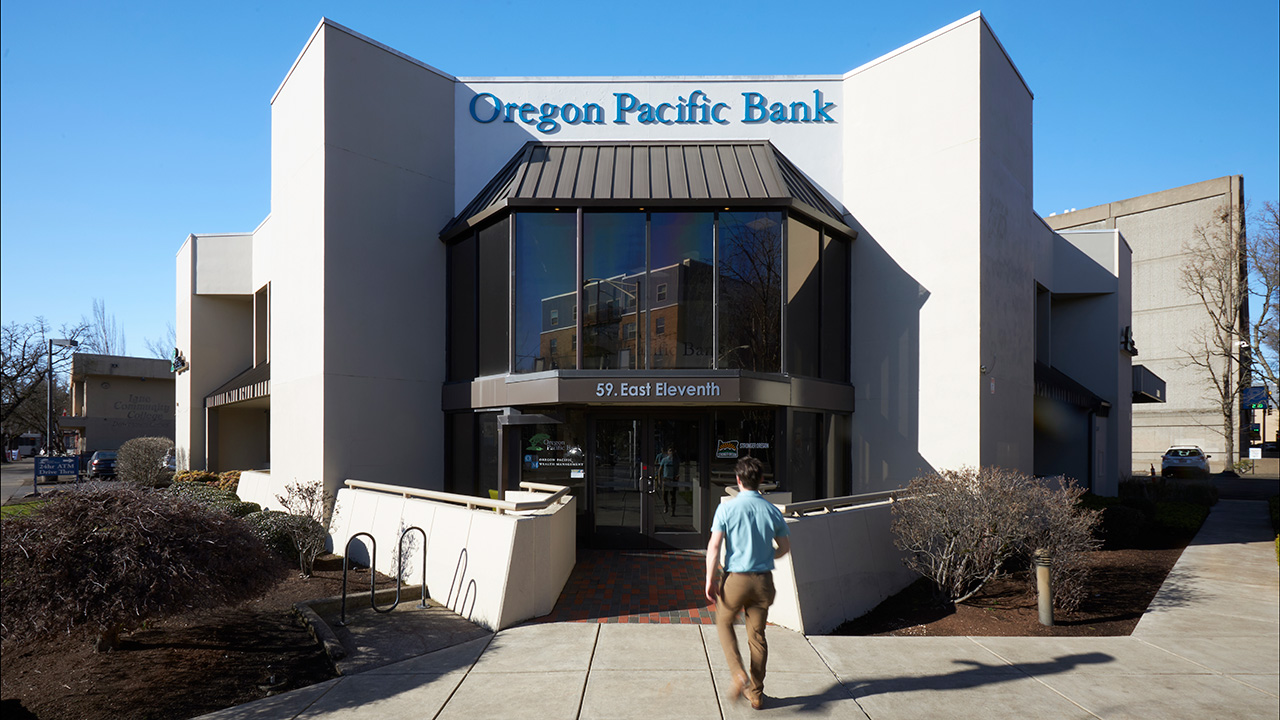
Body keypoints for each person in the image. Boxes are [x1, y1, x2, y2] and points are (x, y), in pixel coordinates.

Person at [704, 456, 790, 710]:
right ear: (761, 481)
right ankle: (756, 693)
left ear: (738, 480)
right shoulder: (772, 510)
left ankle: (738, 673)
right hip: (763, 581)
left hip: (736, 579)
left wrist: (710, 579)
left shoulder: (727, 509)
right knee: (758, 636)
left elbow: (714, 546)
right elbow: (784, 548)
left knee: (723, 621)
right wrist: (766, 556)